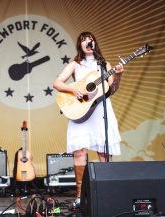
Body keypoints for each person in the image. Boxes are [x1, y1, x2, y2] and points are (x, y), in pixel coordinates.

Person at [53, 31, 123, 210]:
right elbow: (57, 83)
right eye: (83, 40)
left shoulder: (104, 64)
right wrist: (72, 89)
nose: (87, 42)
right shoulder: (75, 64)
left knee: (104, 152)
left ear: (94, 43)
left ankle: (107, 192)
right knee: (79, 152)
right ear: (80, 45)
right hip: (81, 110)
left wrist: (119, 75)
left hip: (101, 110)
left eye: (89, 39)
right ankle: (79, 195)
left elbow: (112, 89)